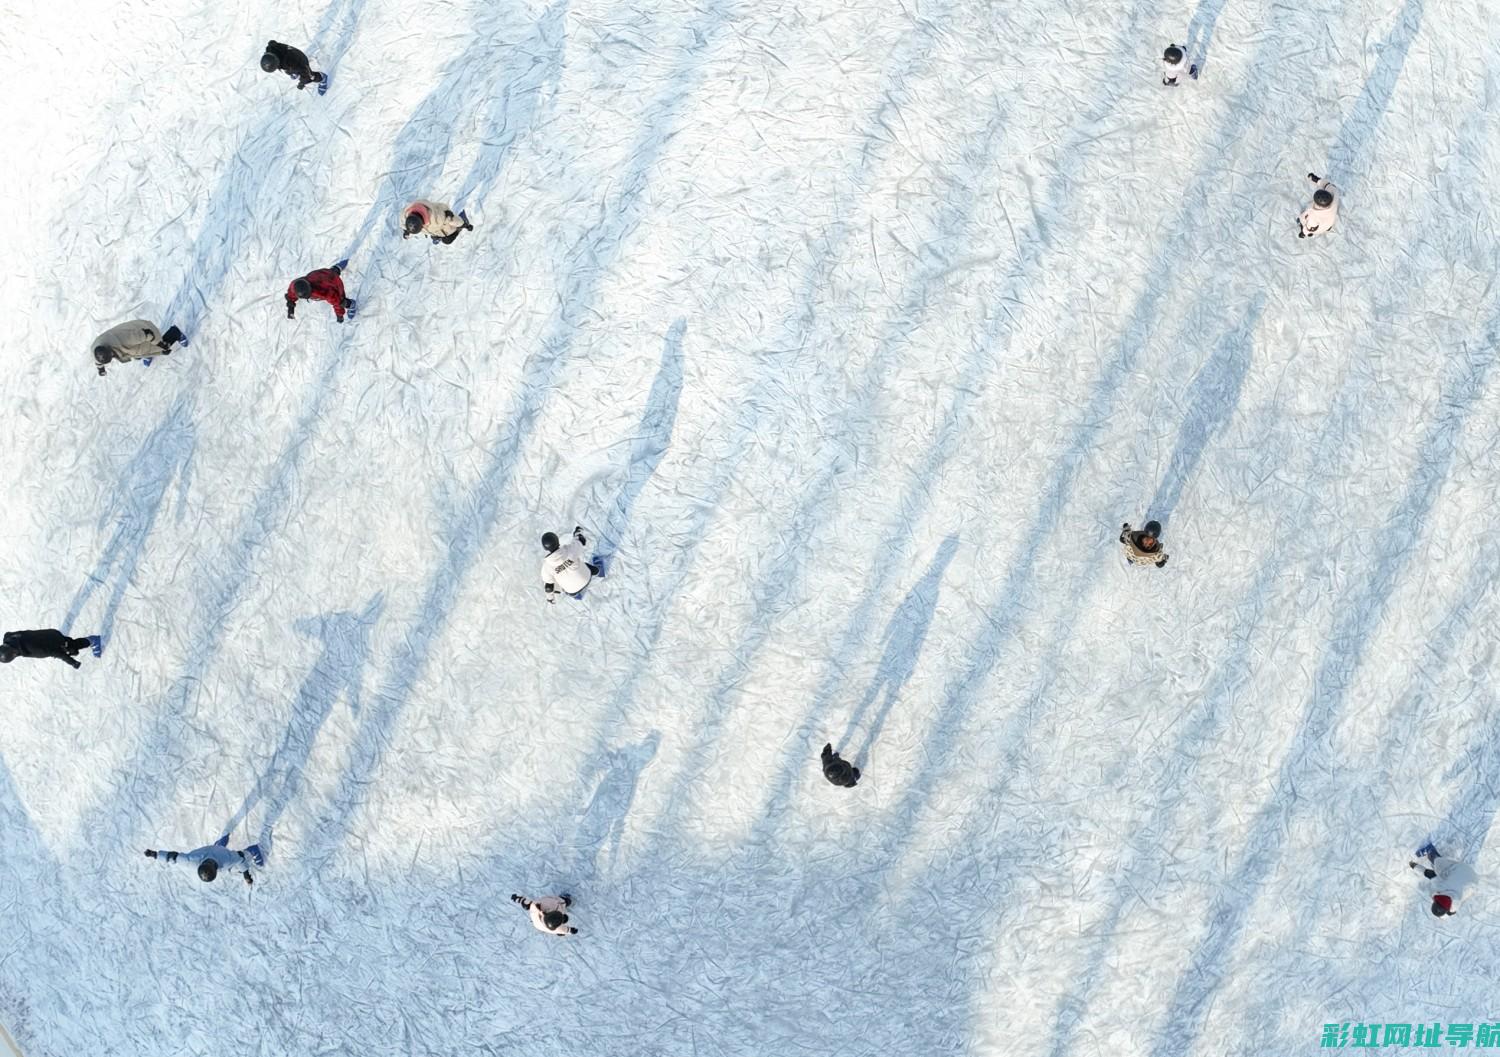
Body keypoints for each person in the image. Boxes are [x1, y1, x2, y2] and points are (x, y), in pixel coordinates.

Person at [144, 834, 264, 885]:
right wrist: (154, 854)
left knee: (236, 865)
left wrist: (246, 875)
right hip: (215, 850)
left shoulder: (227, 860)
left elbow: (241, 859)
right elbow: (172, 856)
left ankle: (252, 850)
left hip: (219, 852)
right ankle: (219, 845)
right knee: (218, 849)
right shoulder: (190, 860)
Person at [92, 320, 185, 376]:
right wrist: (101, 369)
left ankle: (175, 333)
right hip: (133, 344)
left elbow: (147, 334)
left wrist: (161, 344)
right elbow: (98, 361)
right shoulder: (96, 350)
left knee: (163, 348)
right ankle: (147, 355)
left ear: (108, 348)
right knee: (137, 355)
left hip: (143, 330)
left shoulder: (124, 339)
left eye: (112, 354)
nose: (113, 356)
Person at [1409, 845, 1478, 917]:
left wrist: (1449, 912)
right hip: (1462, 868)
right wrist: (1414, 866)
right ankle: (1431, 852)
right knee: (1438, 867)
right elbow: (1429, 874)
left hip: (1474, 880)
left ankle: (1440, 860)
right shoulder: (1440, 887)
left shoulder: (1455, 905)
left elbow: (1452, 912)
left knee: (1463, 889)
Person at [541, 527, 601, 602]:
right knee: (586, 566)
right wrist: (578, 532)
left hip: (571, 590)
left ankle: (577, 596)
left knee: (564, 586)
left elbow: (549, 587)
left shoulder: (546, 567)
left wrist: (550, 598)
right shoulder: (569, 550)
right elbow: (581, 540)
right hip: (586, 578)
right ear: (557, 541)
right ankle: (599, 572)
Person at [286, 263, 355, 322]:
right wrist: (290, 307)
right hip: (322, 273)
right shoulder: (295, 285)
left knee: (341, 301)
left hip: (334, 281)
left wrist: (339, 315)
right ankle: (336, 268)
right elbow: (291, 294)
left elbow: (336, 302)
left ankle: (351, 304)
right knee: (330, 272)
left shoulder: (323, 291)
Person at [0, 629, 97, 669]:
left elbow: (56, 652)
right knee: (70, 646)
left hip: (55, 640)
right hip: (48, 633)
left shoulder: (33, 649)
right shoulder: (8, 639)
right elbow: (6, 634)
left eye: (14, 656)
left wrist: (72, 662)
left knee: (72, 647)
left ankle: (92, 640)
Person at [260, 41, 325, 91]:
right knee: (292, 70)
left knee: (310, 76)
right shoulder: (271, 49)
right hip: (293, 54)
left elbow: (305, 73)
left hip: (301, 60)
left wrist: (302, 83)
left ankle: (322, 78)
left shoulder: (290, 63)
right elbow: (271, 42)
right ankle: (294, 73)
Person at [402, 199, 474, 245]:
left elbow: (453, 220)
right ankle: (437, 236)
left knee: (447, 240)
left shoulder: (438, 218)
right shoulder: (406, 213)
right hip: (432, 228)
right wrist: (406, 230)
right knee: (434, 235)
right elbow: (403, 222)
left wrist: (465, 224)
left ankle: (460, 224)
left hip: (443, 221)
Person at [511, 892, 578, 935]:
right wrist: (570, 930)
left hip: (537, 922)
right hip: (538, 922)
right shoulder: (558, 928)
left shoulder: (535, 907)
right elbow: (564, 930)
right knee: (566, 902)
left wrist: (518, 899)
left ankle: (560, 933)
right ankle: (560, 933)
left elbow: (526, 903)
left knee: (528, 905)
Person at [1298, 174, 1339, 238]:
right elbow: (1328, 185)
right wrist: (1317, 179)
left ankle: (1305, 232)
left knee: (1302, 219)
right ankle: (1328, 228)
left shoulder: (1313, 216)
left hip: (1320, 228)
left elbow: (1310, 228)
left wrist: (1304, 232)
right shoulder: (1334, 192)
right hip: (1329, 222)